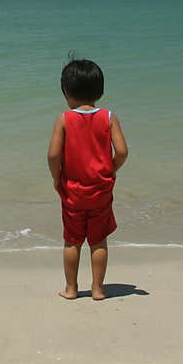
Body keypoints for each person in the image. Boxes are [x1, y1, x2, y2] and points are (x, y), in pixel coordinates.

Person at [47, 56, 128, 301]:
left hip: (72, 192)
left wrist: (57, 178)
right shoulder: (109, 117)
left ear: (66, 92)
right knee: (98, 241)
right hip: (100, 190)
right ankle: (98, 289)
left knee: (72, 241)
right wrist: (112, 169)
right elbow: (122, 151)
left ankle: (71, 289)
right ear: (100, 90)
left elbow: (52, 154)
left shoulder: (64, 119)